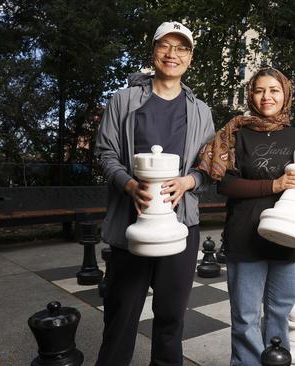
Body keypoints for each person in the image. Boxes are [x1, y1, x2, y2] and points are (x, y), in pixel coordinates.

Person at [94, 21, 215, 366]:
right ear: (154, 50)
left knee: (170, 320)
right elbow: (105, 154)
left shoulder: (201, 110)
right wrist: (129, 185)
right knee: (120, 317)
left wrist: (188, 182)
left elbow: (209, 166)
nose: (172, 54)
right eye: (166, 46)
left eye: (182, 48)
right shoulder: (124, 100)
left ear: (190, 58)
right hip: (129, 227)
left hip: (180, 227)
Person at [198, 67, 295, 365]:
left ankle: (276, 361)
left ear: (286, 94)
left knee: (281, 310)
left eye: (274, 90)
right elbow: (226, 184)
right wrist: (275, 184)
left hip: (287, 236)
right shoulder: (236, 133)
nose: (267, 96)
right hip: (245, 236)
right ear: (251, 95)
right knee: (245, 317)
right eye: (259, 90)